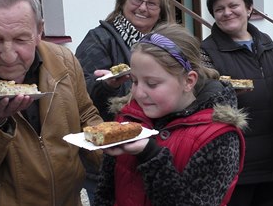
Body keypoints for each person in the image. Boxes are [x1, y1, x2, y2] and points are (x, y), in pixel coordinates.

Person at [0, 0, 103, 205]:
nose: (8, 56)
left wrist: (116, 155)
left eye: (20, 39)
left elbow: (86, 116)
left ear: (39, 31)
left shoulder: (63, 61)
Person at [94, 23, 247, 206]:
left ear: (188, 81)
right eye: (134, 81)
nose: (138, 93)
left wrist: (150, 155)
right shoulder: (128, 118)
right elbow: (105, 193)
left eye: (152, 84)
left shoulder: (218, 137)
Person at [200, 0, 273, 206]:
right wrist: (226, 94)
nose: (227, 12)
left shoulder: (267, 43)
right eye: (219, 9)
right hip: (235, 164)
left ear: (249, 8)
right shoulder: (206, 51)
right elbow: (202, 101)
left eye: (233, 5)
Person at [75, 0, 172, 121]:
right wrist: (108, 86)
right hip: (115, 129)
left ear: (160, 13)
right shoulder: (99, 38)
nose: (143, 8)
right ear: (122, 3)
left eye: (152, 4)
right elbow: (80, 90)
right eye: (137, 0)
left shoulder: (168, 43)